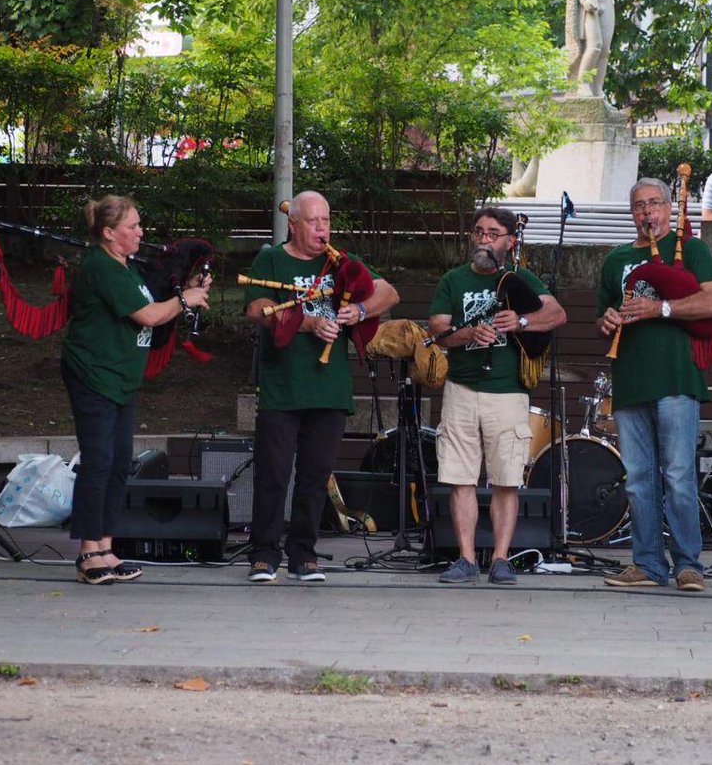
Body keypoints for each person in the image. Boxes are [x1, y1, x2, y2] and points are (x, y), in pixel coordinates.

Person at [243, 191, 399, 583]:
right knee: (273, 475)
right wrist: (307, 323)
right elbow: (256, 308)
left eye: (326, 221)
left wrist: (359, 310)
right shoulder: (271, 259)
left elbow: (388, 292)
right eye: (313, 221)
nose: (321, 229)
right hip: (283, 387)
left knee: (315, 477)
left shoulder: (340, 261)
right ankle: (264, 554)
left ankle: (303, 554)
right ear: (293, 224)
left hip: (328, 389)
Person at [61, 195, 210, 585]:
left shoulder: (126, 267)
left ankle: (106, 547)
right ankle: (88, 552)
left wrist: (188, 288)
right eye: (133, 226)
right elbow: (148, 315)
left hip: (121, 378)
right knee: (98, 461)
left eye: (140, 225)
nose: (141, 232)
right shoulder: (101, 266)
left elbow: (155, 305)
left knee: (118, 462)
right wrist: (185, 300)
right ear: (109, 233)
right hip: (93, 374)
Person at [596, 179, 712, 592]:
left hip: (676, 377)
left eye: (654, 203)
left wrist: (660, 308)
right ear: (631, 213)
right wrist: (606, 320)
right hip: (630, 379)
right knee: (638, 480)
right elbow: (603, 316)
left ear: (669, 208)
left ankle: (689, 565)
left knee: (679, 476)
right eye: (639, 205)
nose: (647, 211)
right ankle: (648, 564)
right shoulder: (616, 259)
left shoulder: (691, 250)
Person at [428, 207, 566, 585]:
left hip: (507, 392)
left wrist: (520, 321)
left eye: (493, 233)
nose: (484, 240)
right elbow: (438, 328)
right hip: (461, 389)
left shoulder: (520, 278)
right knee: (460, 478)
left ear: (510, 241)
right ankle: (466, 558)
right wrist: (469, 333)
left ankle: (501, 559)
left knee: (506, 479)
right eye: (479, 232)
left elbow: (557, 315)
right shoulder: (454, 279)